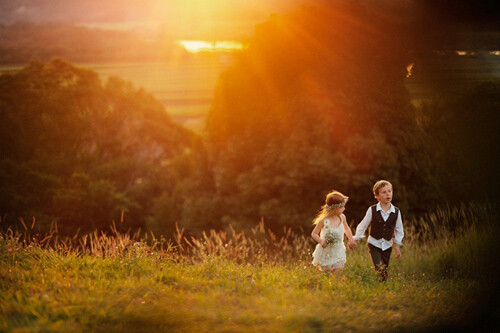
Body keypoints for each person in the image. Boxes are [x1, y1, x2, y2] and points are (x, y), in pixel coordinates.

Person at [350, 180, 404, 282]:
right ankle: (382, 284)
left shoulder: (396, 212)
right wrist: (355, 240)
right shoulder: (372, 210)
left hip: (388, 245)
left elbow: (399, 230)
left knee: (384, 269)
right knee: (380, 268)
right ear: (377, 196)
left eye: (389, 191)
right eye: (384, 192)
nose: (388, 194)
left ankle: (382, 287)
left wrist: (397, 246)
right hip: (374, 244)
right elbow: (363, 225)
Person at [311, 190, 355, 275]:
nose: (344, 208)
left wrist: (351, 239)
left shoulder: (342, 217)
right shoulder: (324, 220)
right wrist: (321, 242)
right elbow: (314, 233)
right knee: (327, 274)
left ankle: (336, 285)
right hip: (326, 250)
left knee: (337, 272)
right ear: (335, 208)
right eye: (342, 207)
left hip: (338, 249)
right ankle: (328, 287)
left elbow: (347, 229)